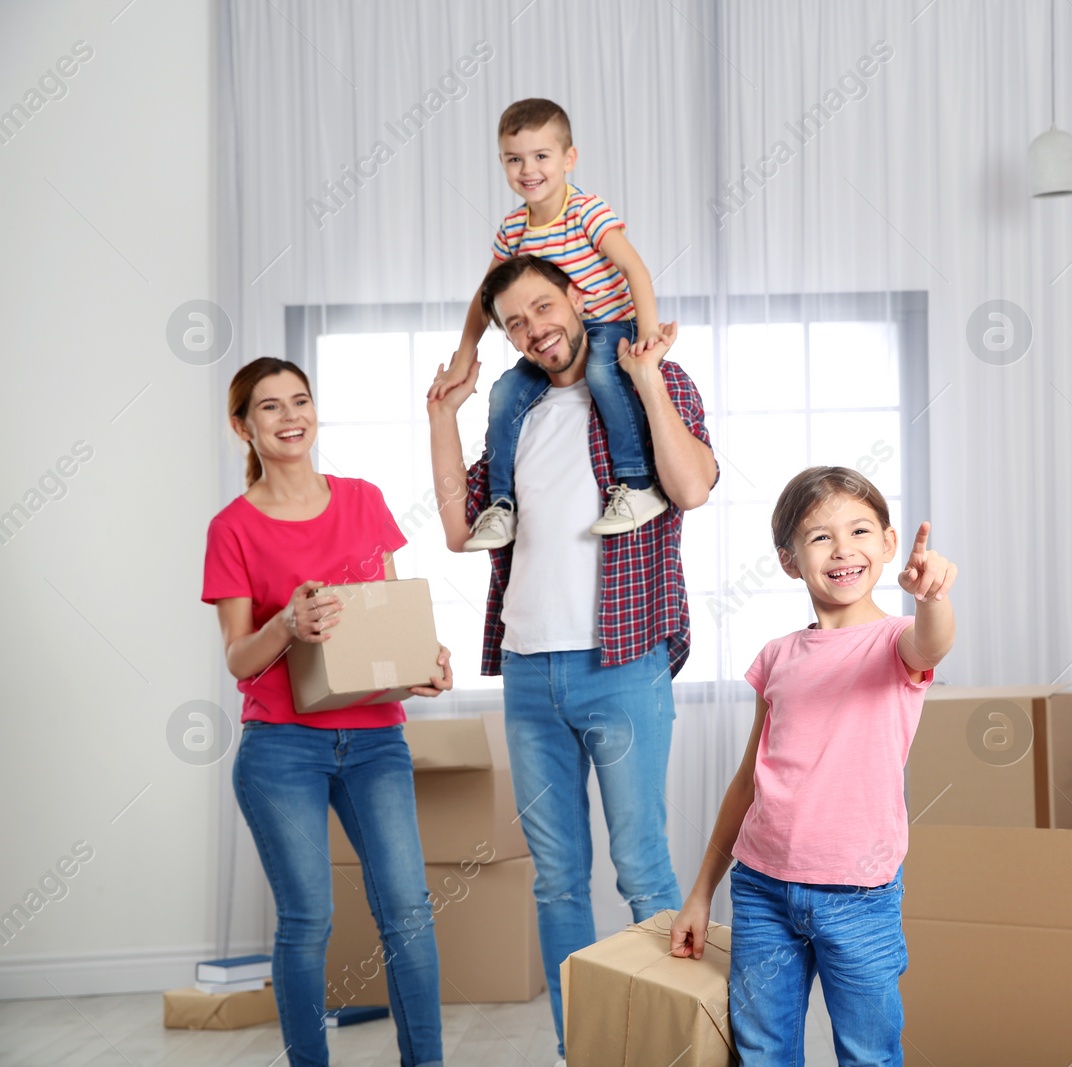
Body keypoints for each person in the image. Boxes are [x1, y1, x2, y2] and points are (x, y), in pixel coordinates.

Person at [426, 253, 718, 1064]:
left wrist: (651, 378)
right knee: (556, 880)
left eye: (543, 308)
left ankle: (666, 1046)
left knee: (642, 871)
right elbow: (460, 528)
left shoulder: (640, 381)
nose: (534, 330)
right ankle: (581, 1047)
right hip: (528, 671)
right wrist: (441, 416)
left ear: (578, 296)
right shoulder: (515, 409)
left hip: (623, 663)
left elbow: (691, 488)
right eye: (515, 322)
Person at [202, 357, 454, 1067]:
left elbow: (394, 619)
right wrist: (287, 624)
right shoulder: (233, 528)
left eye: (301, 401)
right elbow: (238, 659)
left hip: (375, 740)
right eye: (271, 407)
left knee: (407, 910)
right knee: (308, 918)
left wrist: (425, 667)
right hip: (282, 747)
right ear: (243, 426)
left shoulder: (364, 500)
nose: (291, 418)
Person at [669, 467, 958, 1067]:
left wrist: (933, 599)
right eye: (820, 536)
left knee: (867, 1054)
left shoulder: (896, 642)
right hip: (760, 890)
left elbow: (933, 643)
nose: (843, 548)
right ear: (789, 560)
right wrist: (701, 893)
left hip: (860, 895)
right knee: (763, 1050)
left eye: (859, 530)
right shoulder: (777, 657)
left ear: (886, 543)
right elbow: (749, 781)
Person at [428, 97, 670, 550]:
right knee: (504, 392)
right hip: (554, 341)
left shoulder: (586, 212)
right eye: (514, 159)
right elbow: (486, 300)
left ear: (568, 158)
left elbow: (634, 269)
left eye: (541, 156)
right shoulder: (513, 230)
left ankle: (637, 484)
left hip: (608, 324)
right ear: (502, 163)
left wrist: (649, 331)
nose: (528, 169)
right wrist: (464, 355)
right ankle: (501, 505)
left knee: (601, 370)